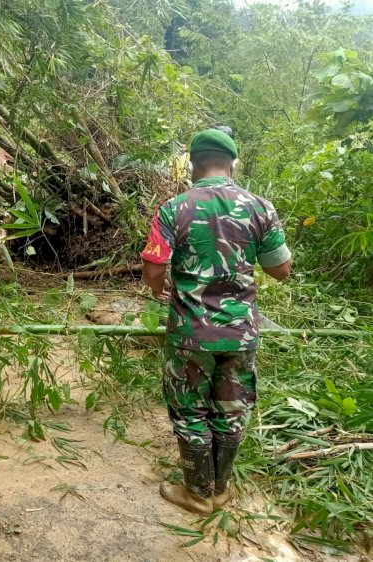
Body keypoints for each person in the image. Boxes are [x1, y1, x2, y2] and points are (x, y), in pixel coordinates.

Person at [141, 129, 292, 514]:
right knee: (232, 408)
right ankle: (220, 489)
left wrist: (159, 289)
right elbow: (281, 269)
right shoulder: (260, 207)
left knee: (190, 409)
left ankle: (197, 494)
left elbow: (153, 265)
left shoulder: (174, 208)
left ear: (193, 163)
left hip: (191, 334)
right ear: (232, 163)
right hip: (241, 333)